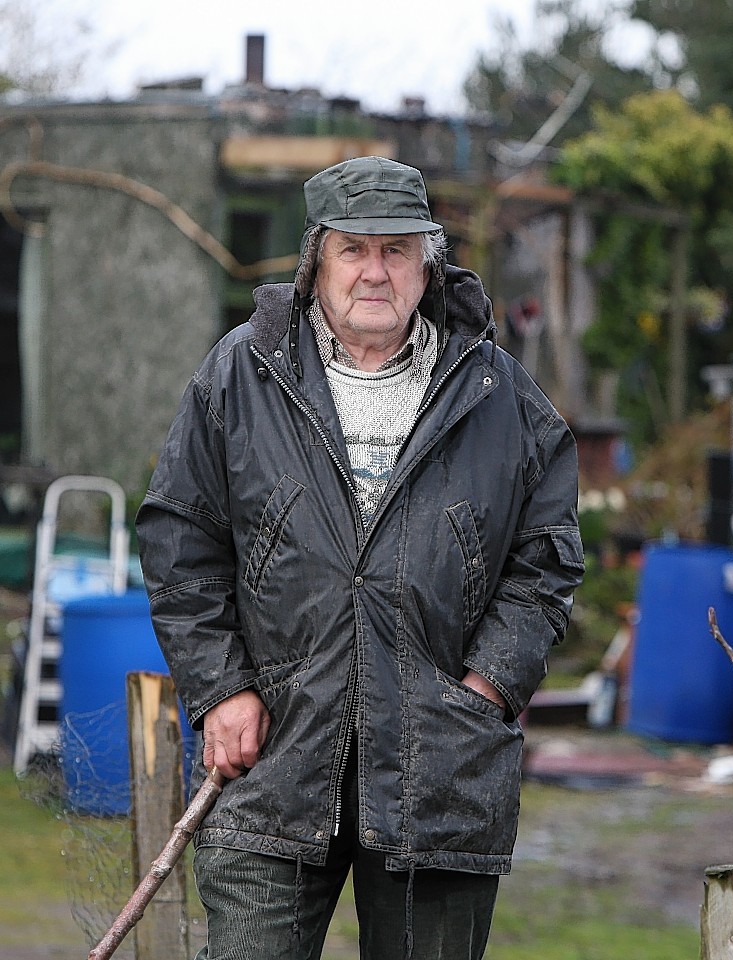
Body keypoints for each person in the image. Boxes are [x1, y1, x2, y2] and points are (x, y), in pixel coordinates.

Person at [136, 155, 584, 960]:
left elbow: (546, 560)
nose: (374, 272)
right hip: (273, 752)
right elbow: (180, 542)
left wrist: (486, 688)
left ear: (428, 265)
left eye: (396, 250)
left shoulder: (498, 392)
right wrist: (223, 688)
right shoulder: (240, 375)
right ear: (317, 261)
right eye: (354, 249)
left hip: (441, 762)